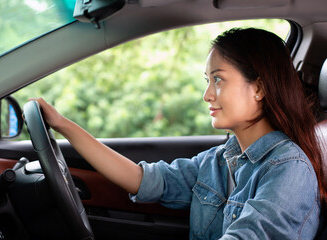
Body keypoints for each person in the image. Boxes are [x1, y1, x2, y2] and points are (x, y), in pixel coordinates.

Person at [32, 27, 326, 239]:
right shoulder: (219, 161)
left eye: (218, 80)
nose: (207, 95)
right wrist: (63, 125)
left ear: (260, 88)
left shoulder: (289, 170)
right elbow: (142, 179)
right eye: (207, 81)